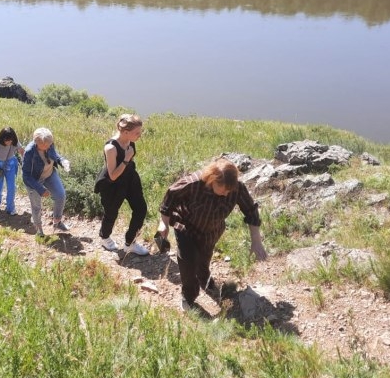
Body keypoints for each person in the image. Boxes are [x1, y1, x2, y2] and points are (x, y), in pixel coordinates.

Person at [155, 158, 268, 312]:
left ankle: (204, 279)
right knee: (187, 262)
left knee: (203, 260)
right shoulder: (193, 183)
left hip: (212, 231)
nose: (226, 193)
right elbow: (171, 195)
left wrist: (256, 241)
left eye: (229, 190)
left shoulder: (237, 189)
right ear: (212, 179)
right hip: (186, 226)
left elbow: (251, 211)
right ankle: (188, 297)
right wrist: (164, 223)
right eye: (223, 189)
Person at [94, 114, 149, 255]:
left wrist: (128, 160)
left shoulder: (130, 142)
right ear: (125, 132)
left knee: (141, 209)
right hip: (112, 185)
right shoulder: (111, 148)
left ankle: (130, 242)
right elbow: (112, 175)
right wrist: (126, 158)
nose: (140, 135)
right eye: (137, 133)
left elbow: (128, 163)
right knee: (111, 213)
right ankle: (105, 237)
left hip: (130, 178)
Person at [22, 127, 71, 237]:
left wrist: (62, 160)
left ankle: (57, 222)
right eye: (44, 146)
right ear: (36, 142)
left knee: (60, 195)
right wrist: (40, 189)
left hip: (49, 174)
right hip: (34, 180)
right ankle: (39, 229)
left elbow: (54, 155)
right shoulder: (29, 152)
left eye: (49, 145)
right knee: (36, 206)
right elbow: (26, 175)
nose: (47, 148)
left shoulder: (49, 143)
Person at [0, 127, 24, 215]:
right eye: (7, 140)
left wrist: (24, 162)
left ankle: (10, 208)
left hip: (10, 163)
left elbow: (21, 151)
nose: (9, 142)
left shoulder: (15, 141)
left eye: (11, 140)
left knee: (12, 186)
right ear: (2, 138)